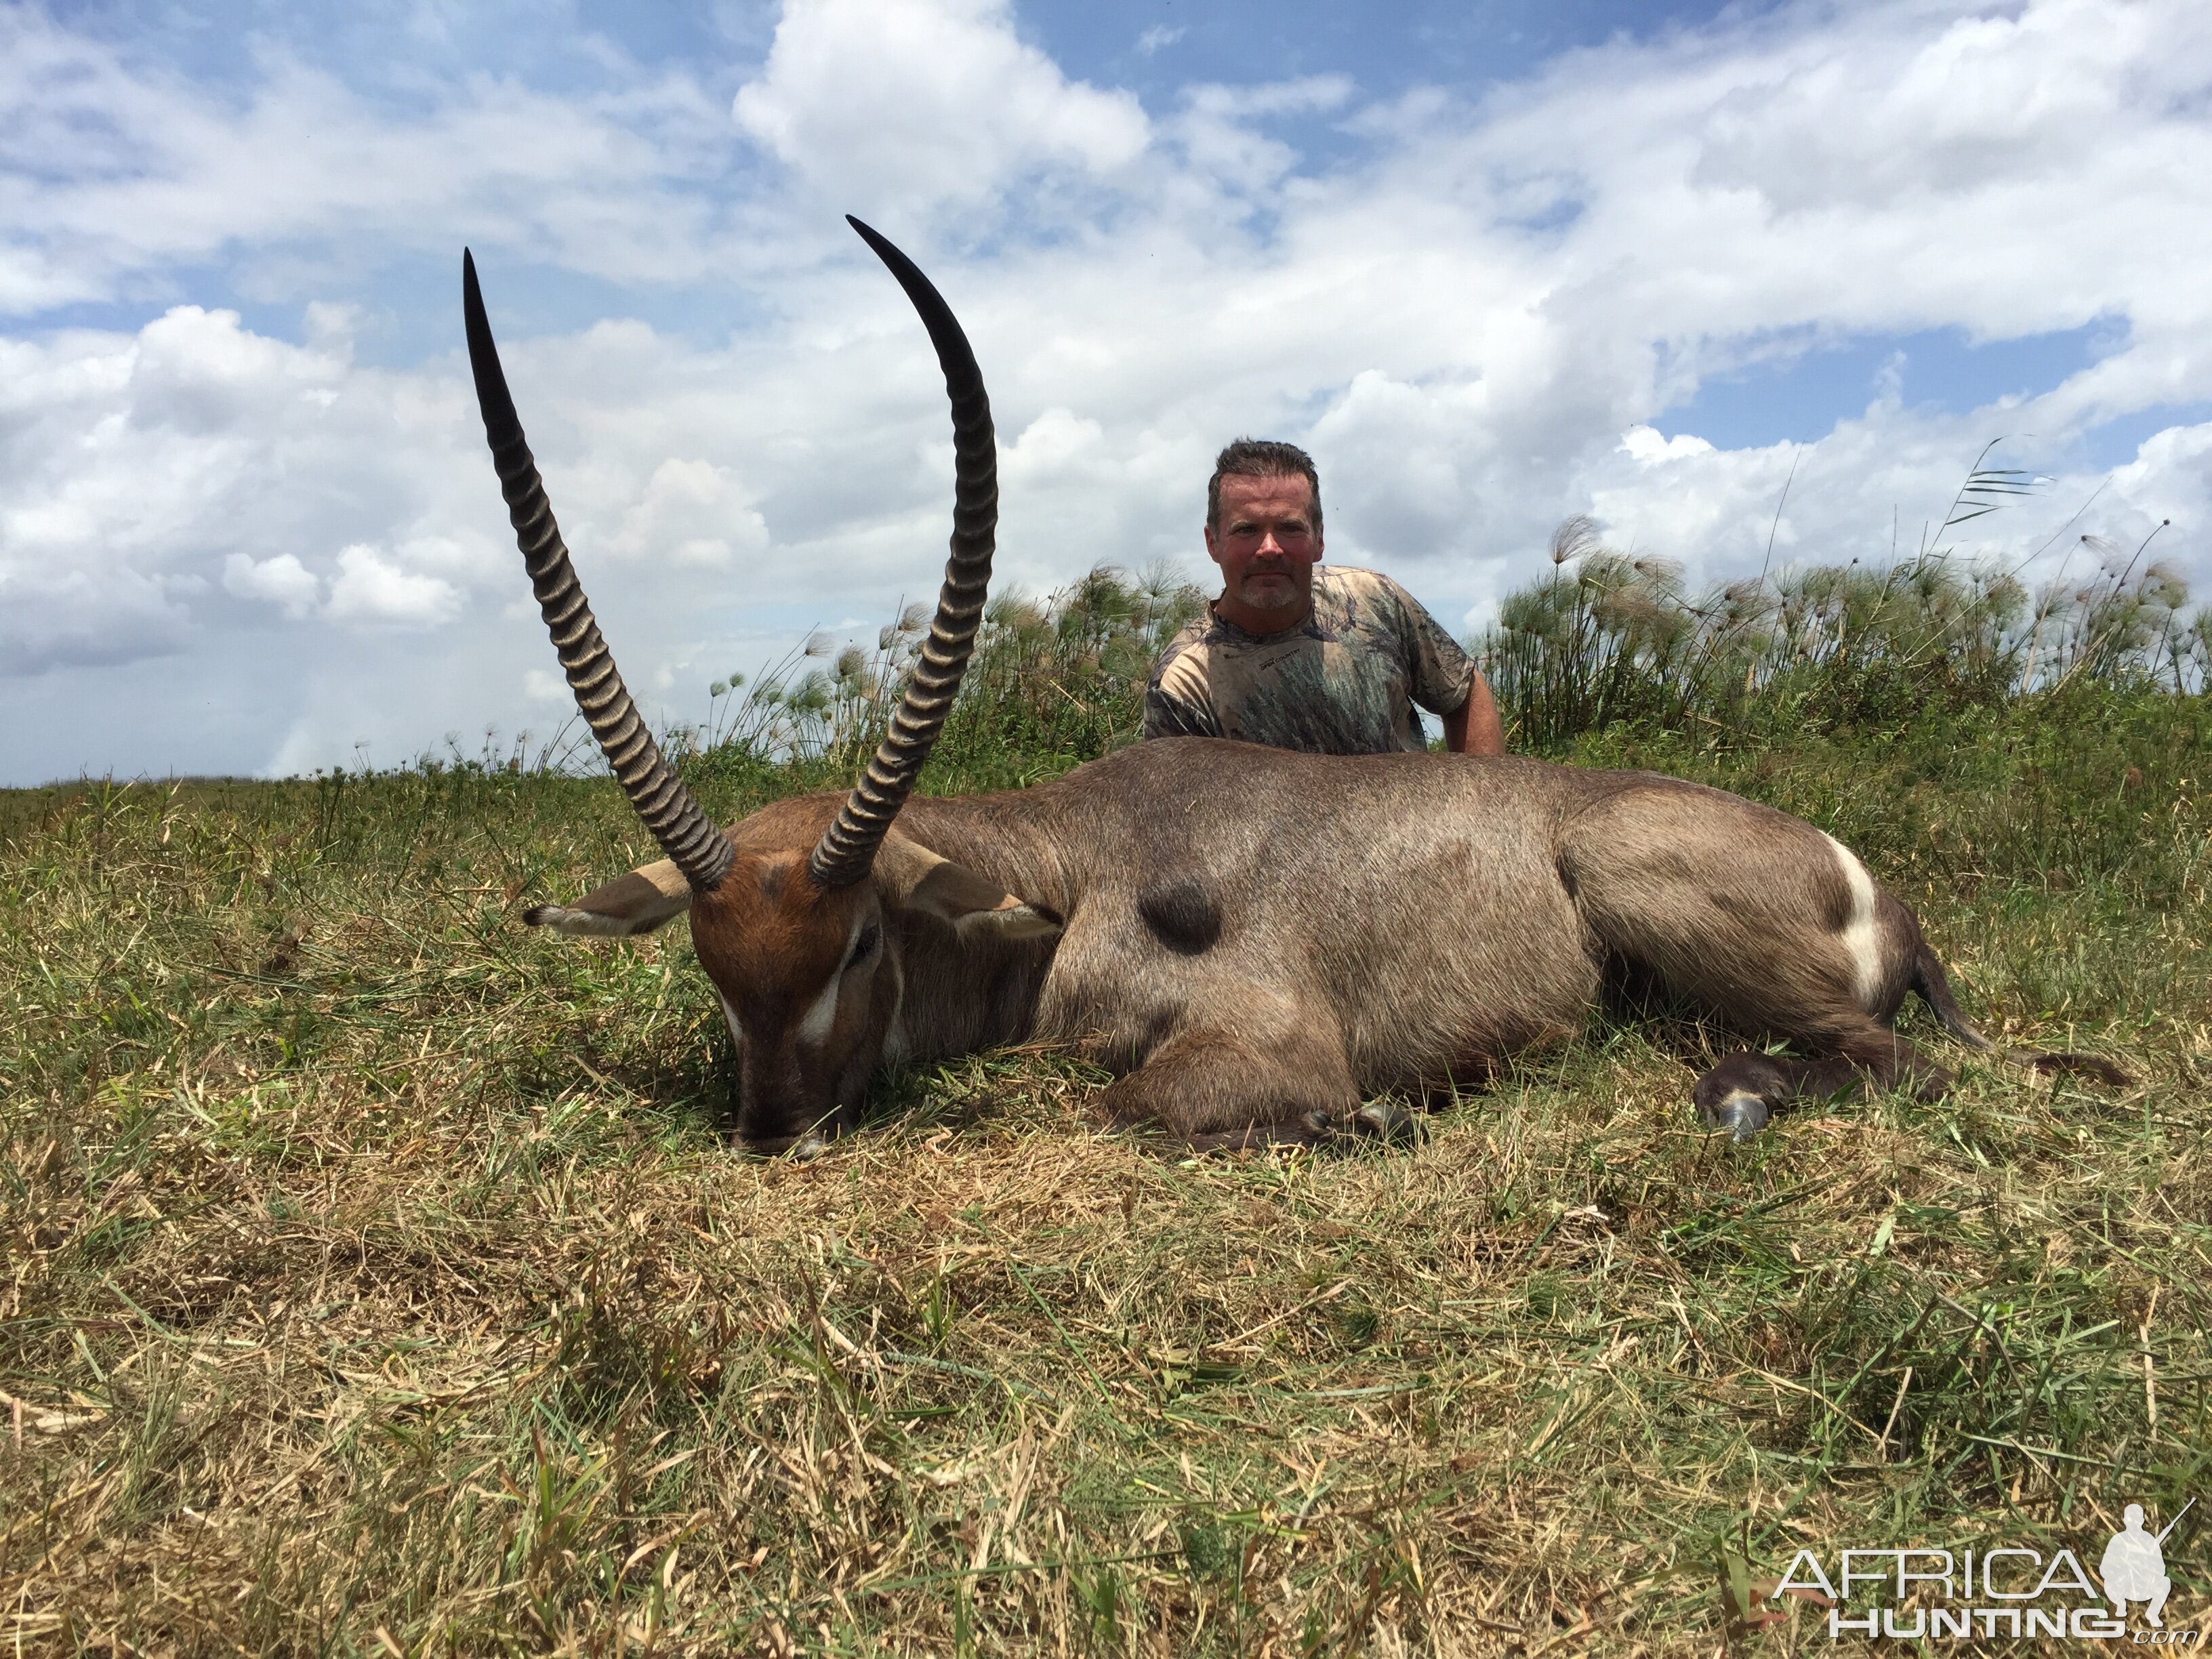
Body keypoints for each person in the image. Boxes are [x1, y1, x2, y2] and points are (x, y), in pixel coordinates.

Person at [1144, 439, 1505, 756]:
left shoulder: (1373, 600)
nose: (1269, 549)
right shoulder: (1183, 684)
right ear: (1213, 543)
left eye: (1290, 528)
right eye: (1247, 530)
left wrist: (1484, 810)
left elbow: (1464, 690)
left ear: (1319, 538)